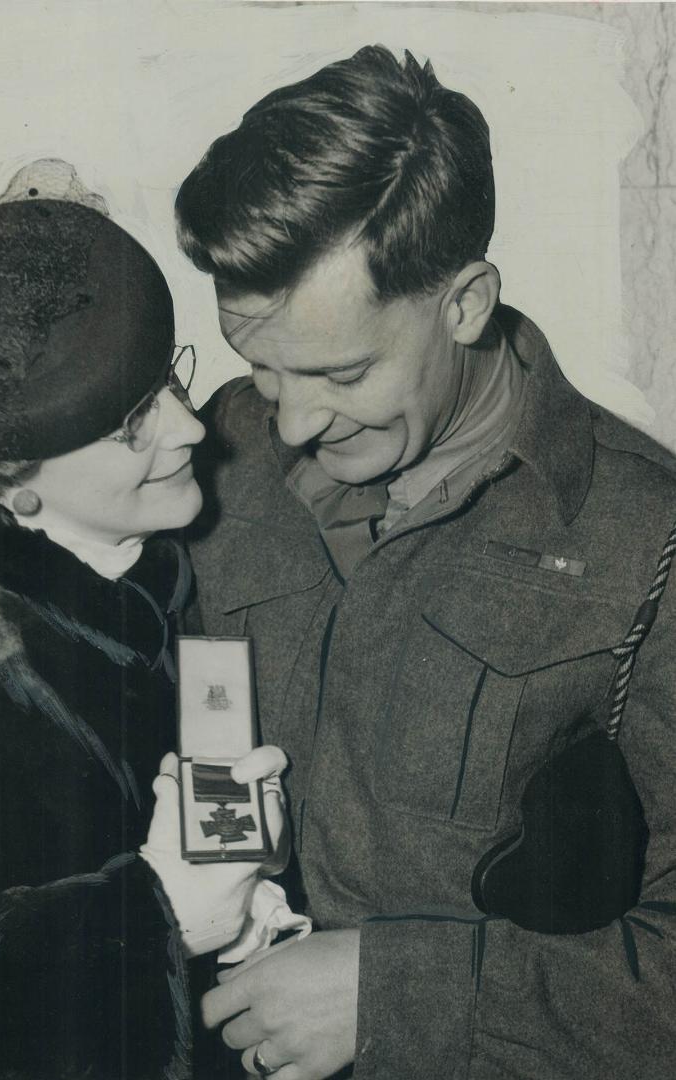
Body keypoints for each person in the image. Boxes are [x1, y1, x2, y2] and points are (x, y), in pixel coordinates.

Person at [175, 45, 676, 1080]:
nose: (294, 421)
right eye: (258, 367)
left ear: (463, 302)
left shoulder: (645, 542)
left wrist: (397, 995)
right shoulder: (203, 456)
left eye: (342, 372)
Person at [0, 192, 288, 1079]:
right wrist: (153, 918)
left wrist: (249, 922)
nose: (190, 428)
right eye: (131, 423)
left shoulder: (157, 569)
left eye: (172, 381)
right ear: (11, 481)